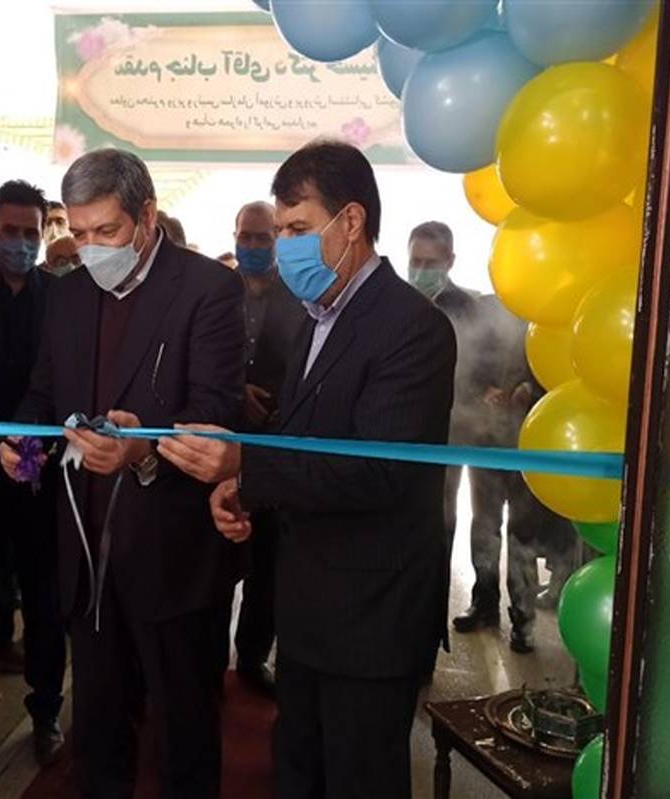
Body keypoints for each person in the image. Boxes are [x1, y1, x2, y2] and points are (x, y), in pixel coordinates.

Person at [157, 141, 456, 799]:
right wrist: (241, 483)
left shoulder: (413, 328)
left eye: (297, 228)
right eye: (280, 229)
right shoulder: (315, 319)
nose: (285, 246)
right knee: (297, 773)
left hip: (370, 619)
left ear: (351, 221)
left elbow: (379, 471)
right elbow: (299, 438)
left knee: (357, 781)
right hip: (307, 609)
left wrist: (249, 462)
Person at [0, 148, 245, 798]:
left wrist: (142, 451)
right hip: (86, 554)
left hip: (170, 556)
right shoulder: (68, 296)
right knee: (99, 730)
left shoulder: (207, 290)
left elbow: (215, 411)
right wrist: (22, 442)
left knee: (184, 733)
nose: (91, 249)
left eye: (106, 231)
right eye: (78, 233)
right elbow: (43, 395)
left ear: (147, 216)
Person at [0, 180, 67, 770]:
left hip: (39, 472)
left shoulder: (59, 298)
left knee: (45, 602)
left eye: (31, 233)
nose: (21, 243)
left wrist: (32, 450)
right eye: (10, 231)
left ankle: (46, 713)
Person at [407, 222, 538, 653]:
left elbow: (489, 363)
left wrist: (501, 391)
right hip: (429, 439)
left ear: (450, 262)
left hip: (486, 433)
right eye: (416, 260)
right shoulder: (399, 302)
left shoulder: (472, 307)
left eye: (431, 262)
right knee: (443, 526)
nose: (421, 270)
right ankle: (459, 611)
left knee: (502, 524)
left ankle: (517, 614)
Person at [231, 200, 304, 698]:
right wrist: (235, 392)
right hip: (220, 438)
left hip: (277, 442)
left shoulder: (298, 295)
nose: (254, 246)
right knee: (214, 555)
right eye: (247, 237)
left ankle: (252, 655)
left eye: (263, 238)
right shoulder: (215, 292)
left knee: (267, 559)